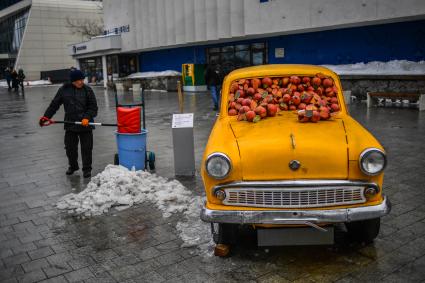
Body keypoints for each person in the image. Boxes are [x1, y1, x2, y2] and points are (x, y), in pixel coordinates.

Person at [39, 69, 98, 178]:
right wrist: (46, 117)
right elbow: (54, 105)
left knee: (87, 148)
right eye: (78, 80)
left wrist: (87, 117)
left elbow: (93, 108)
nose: (80, 82)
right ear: (72, 81)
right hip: (70, 123)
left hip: (85, 125)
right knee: (70, 148)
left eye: (82, 80)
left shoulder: (88, 90)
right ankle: (73, 166)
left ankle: (87, 169)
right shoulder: (64, 90)